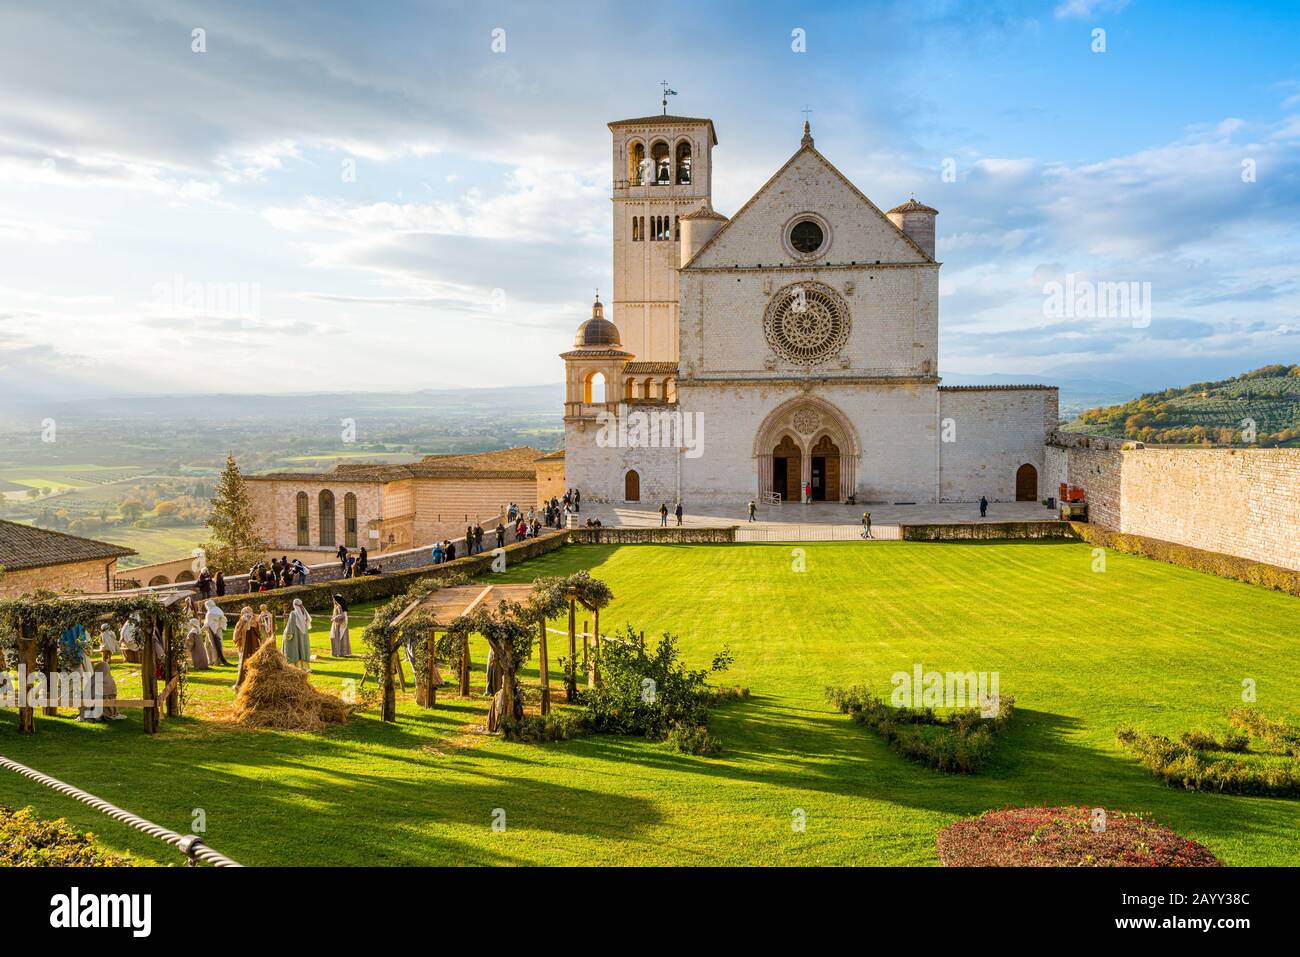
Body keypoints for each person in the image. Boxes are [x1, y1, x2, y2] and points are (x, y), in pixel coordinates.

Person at [232, 606, 262, 689]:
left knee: (255, 660)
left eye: (248, 612)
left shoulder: (255, 620)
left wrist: (254, 622)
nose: (247, 614)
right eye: (245, 612)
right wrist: (242, 624)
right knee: (244, 661)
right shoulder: (240, 622)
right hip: (244, 644)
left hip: (254, 644)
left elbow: (260, 631)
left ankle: (255, 680)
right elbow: (236, 635)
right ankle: (243, 681)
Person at [281, 598, 312, 671]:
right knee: (302, 649)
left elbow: (291, 624)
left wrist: (288, 634)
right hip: (303, 635)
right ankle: (304, 666)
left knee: (293, 649)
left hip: (295, 635)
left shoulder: (293, 613)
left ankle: (295, 666)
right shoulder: (304, 613)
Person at [203, 599, 231, 666]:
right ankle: (213, 660)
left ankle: (215, 661)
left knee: (212, 645)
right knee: (213, 645)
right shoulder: (218, 609)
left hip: (212, 630)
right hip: (217, 629)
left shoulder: (210, 612)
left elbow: (209, 623)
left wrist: (204, 629)